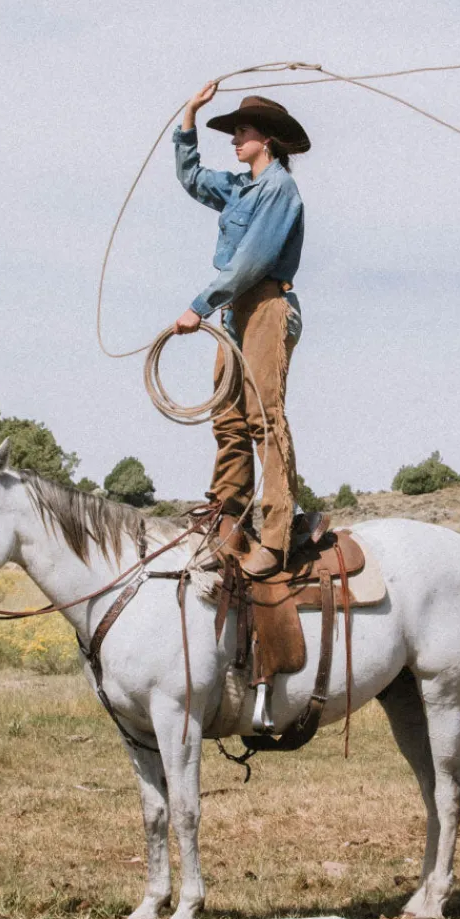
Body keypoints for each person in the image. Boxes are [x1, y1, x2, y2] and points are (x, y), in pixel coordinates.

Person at [172, 81, 311, 576]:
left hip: (265, 305)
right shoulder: (236, 188)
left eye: (243, 131)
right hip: (233, 311)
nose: (234, 138)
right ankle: (229, 519)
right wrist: (189, 113)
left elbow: (252, 261)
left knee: (263, 417)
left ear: (267, 140)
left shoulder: (279, 189)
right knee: (227, 418)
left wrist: (200, 304)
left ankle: (277, 533)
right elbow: (190, 177)